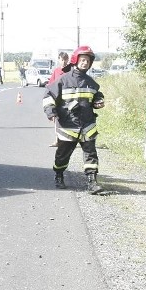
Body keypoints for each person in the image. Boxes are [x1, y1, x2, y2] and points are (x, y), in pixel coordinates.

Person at [42, 45, 105, 193]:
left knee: (91, 154)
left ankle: (92, 182)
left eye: (88, 61)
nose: (85, 63)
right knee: (62, 155)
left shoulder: (91, 82)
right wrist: (51, 112)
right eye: (83, 60)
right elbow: (48, 96)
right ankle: (58, 175)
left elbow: (97, 95)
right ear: (76, 60)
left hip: (87, 125)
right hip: (68, 126)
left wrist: (99, 100)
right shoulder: (63, 80)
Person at [47, 52, 72, 146]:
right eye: (62, 60)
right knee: (57, 120)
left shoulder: (70, 71)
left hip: (69, 99)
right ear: (59, 60)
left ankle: (69, 140)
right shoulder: (56, 71)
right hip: (58, 99)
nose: (64, 62)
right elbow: (50, 85)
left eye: (66, 59)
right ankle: (57, 140)